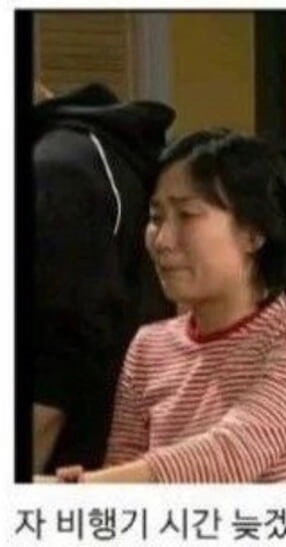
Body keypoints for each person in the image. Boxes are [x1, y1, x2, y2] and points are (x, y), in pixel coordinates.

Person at [54, 129, 286, 483]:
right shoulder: (149, 347)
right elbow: (124, 473)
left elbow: (235, 452)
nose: (162, 240)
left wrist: (94, 486)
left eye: (187, 215)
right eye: (156, 218)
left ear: (253, 232)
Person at [33, 83, 176, 475]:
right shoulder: (98, 152)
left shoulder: (54, 170)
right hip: (112, 456)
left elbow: (54, 364)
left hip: (72, 464)